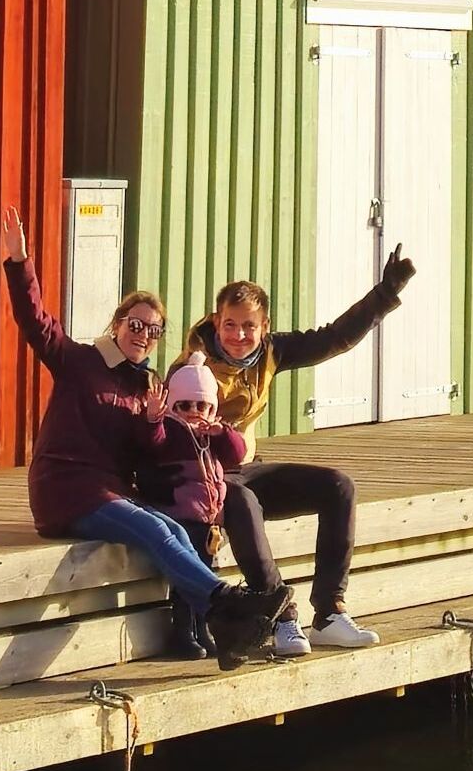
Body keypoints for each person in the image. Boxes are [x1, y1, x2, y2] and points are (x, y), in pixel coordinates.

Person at [0, 208, 279, 671]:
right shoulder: (79, 361)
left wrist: (155, 423)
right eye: (135, 324)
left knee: (169, 527)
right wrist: (18, 263)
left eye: (153, 330)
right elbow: (35, 321)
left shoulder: (149, 389)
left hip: (108, 493)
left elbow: (149, 455)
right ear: (117, 325)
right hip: (66, 490)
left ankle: (223, 625)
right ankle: (226, 604)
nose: (143, 334)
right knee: (153, 529)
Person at [177, 248, 414, 656]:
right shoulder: (192, 366)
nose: (238, 335)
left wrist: (385, 293)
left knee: (338, 486)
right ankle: (281, 614)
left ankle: (328, 613)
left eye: (248, 326)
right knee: (242, 498)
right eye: (229, 325)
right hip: (206, 481)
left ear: (264, 326)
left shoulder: (270, 352)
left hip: (247, 466)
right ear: (216, 321)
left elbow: (334, 338)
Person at [146, 351, 249, 659]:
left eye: (202, 405)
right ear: (173, 406)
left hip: (209, 519)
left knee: (206, 568)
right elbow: (152, 444)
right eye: (185, 405)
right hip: (180, 516)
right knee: (187, 577)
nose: (194, 412)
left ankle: (202, 628)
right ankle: (182, 630)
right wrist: (154, 418)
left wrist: (222, 431)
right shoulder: (171, 431)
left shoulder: (212, 435)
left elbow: (237, 453)